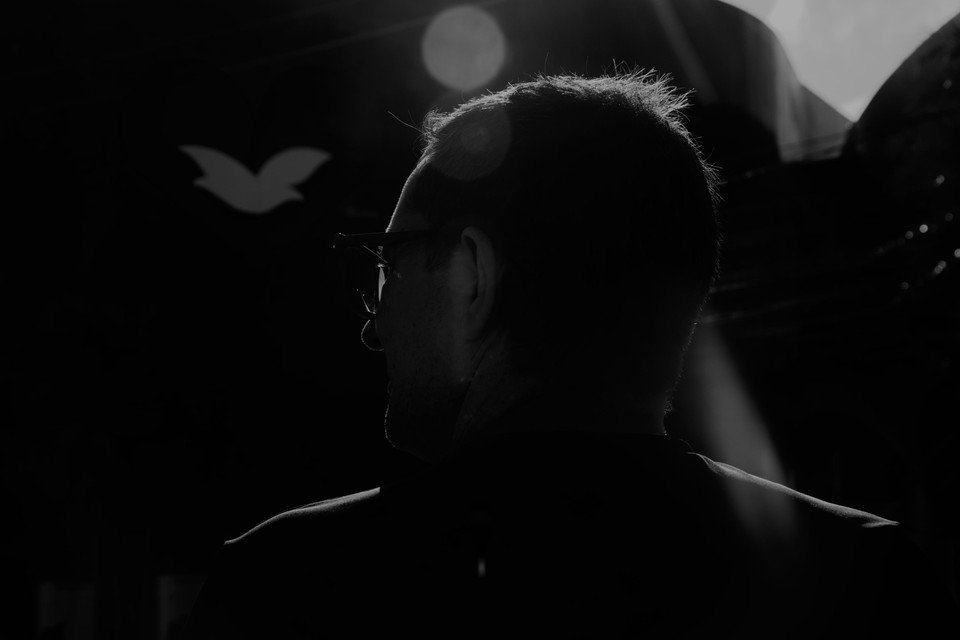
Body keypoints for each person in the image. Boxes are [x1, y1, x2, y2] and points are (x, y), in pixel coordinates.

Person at [183, 72, 956, 639]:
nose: (373, 327)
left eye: (388, 265)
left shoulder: (289, 588)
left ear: (473, 276)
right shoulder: (868, 581)